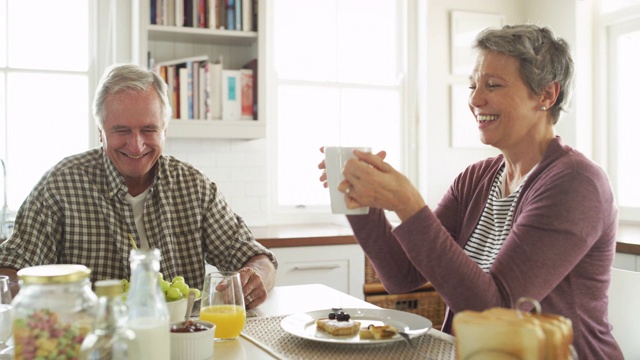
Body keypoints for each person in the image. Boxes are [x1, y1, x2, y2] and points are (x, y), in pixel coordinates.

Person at [318, 24, 622, 359]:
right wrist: (363, 203)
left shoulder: (576, 183)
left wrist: (407, 204)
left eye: (493, 85)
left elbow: (497, 312)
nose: (476, 99)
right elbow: (401, 276)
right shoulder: (476, 178)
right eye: (473, 85)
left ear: (546, 95)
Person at [0, 63, 277, 309]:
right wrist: (22, 293)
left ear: (164, 130)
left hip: (182, 344)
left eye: (148, 130)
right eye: (121, 131)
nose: (136, 145)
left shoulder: (193, 186)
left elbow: (253, 255)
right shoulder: (60, 185)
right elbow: (12, 267)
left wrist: (255, 276)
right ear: (100, 132)